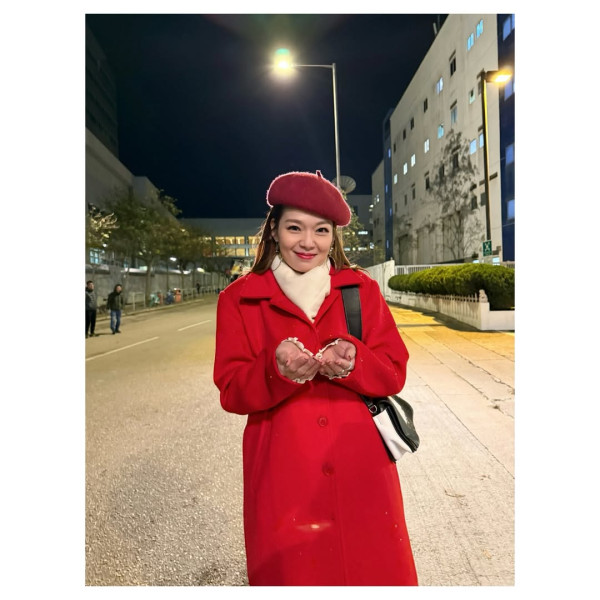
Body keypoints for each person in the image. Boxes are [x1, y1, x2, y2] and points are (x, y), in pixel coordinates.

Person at [213, 170, 418, 586]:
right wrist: (275, 370)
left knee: (371, 571)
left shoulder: (360, 290)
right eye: (295, 228)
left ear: (333, 236)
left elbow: (393, 372)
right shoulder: (239, 299)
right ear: (274, 229)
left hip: (361, 466)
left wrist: (355, 361)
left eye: (321, 230)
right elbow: (231, 391)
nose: (308, 242)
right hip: (282, 472)